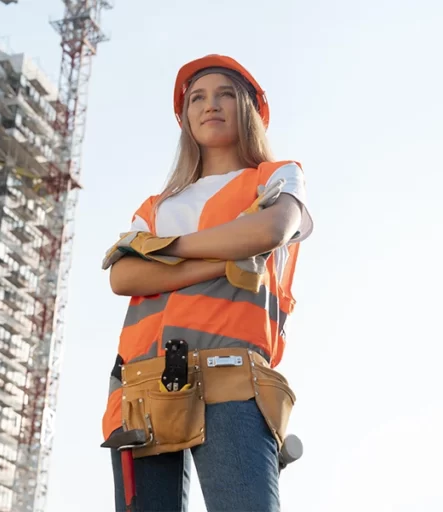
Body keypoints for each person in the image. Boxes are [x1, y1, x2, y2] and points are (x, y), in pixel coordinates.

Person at [99, 54, 315, 512]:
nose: (209, 105)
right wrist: (222, 262)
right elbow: (123, 275)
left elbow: (269, 231)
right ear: (185, 118)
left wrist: (165, 250)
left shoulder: (275, 178)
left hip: (232, 378)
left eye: (223, 95)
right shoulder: (156, 204)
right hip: (139, 386)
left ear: (249, 108)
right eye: (197, 97)